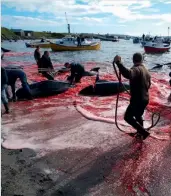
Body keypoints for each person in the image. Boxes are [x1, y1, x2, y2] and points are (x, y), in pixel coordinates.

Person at [113, 53, 151, 140]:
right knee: (138, 116)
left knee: (127, 117)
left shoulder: (136, 69)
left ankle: (143, 132)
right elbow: (148, 85)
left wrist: (118, 62)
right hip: (145, 98)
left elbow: (128, 74)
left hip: (137, 100)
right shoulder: (146, 70)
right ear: (142, 60)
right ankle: (140, 133)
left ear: (133, 60)